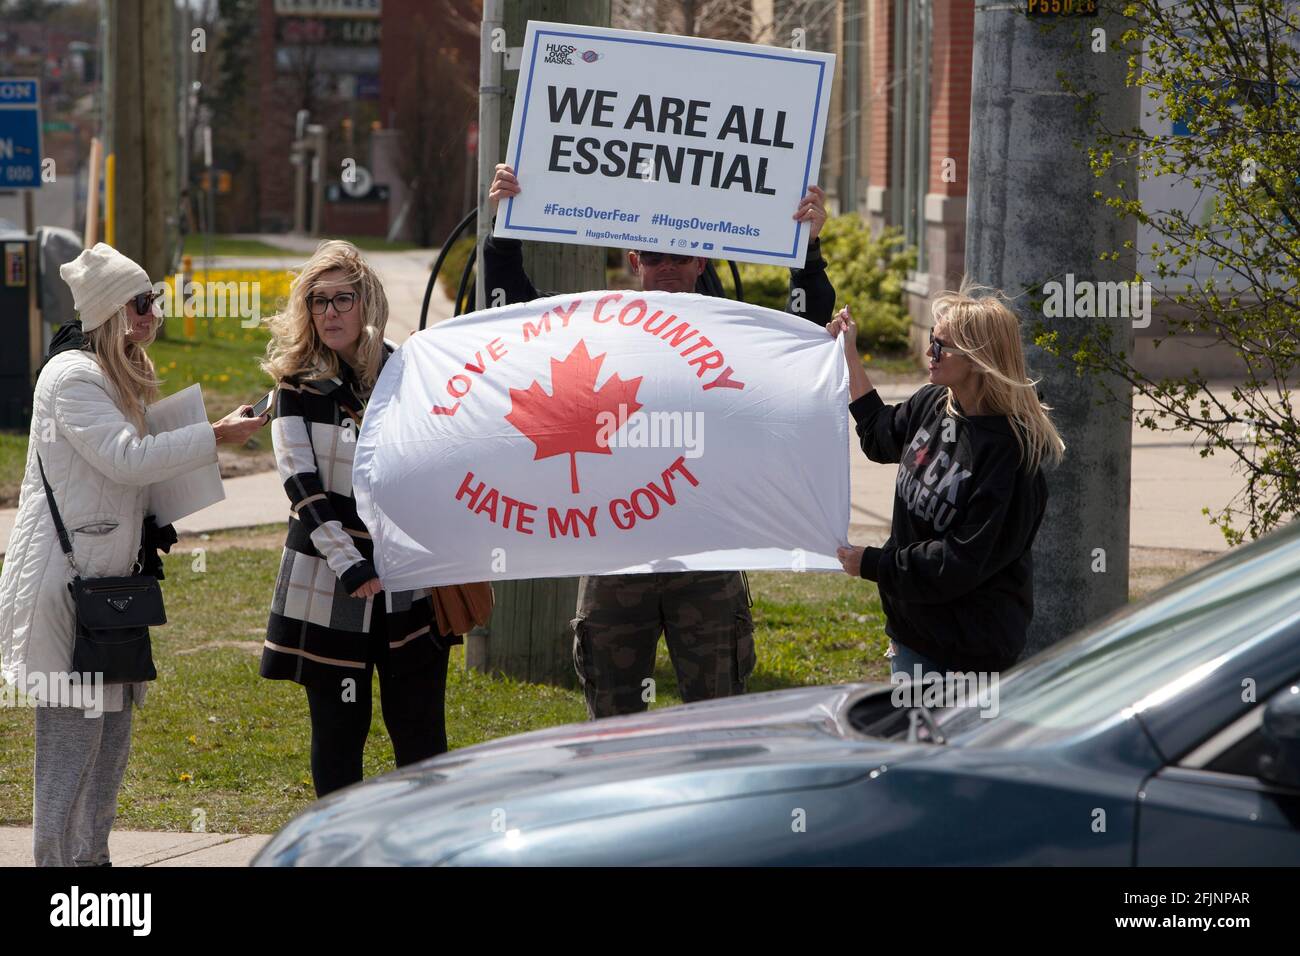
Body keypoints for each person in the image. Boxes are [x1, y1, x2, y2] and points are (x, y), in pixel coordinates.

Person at [484, 163, 836, 719]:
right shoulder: (600, 324)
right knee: (614, 727)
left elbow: (804, 331)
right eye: (654, 257)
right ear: (634, 262)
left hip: (707, 550)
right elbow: (509, 310)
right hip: (617, 551)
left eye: (680, 255)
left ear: (702, 260)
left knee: (716, 722)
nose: (667, 268)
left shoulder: (733, 327)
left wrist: (808, 247)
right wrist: (505, 226)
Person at [0, 242, 267, 866]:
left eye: (155, 301)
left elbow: (126, 477)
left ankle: (93, 866)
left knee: (109, 744)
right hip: (68, 593)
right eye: (140, 303)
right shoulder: (73, 377)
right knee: (71, 751)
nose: (153, 314)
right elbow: (125, 458)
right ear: (110, 311)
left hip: (108, 590)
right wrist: (216, 435)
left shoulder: (112, 375)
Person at [260, 239, 461, 797]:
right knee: (339, 737)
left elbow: (435, 463)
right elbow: (301, 487)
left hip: (407, 581)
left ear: (367, 303)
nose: (328, 313)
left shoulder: (407, 370)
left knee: (420, 738)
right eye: (317, 301)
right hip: (330, 582)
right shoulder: (294, 386)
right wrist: (352, 566)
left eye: (342, 299)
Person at [830, 286, 1065, 677]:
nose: (928, 354)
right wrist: (847, 351)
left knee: (953, 741)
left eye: (940, 347)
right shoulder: (933, 403)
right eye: (931, 341)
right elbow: (877, 434)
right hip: (911, 636)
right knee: (914, 739)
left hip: (968, 655)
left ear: (977, 360)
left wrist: (872, 563)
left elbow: (959, 563)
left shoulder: (1009, 456)